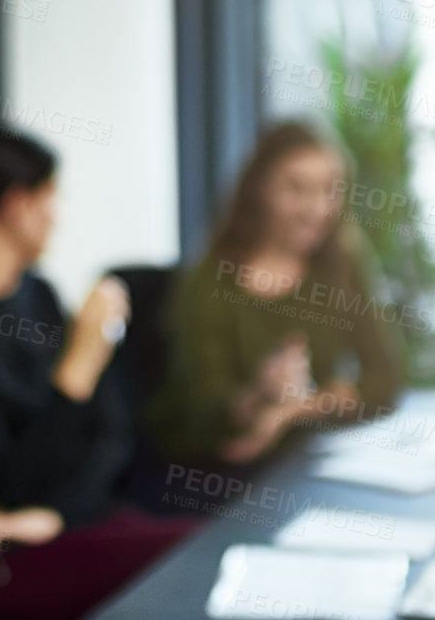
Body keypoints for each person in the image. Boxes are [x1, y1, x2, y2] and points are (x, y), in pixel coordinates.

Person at [0, 131, 197, 620]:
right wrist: (77, 369)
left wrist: (57, 514)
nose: (57, 216)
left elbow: (104, 439)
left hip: (80, 523)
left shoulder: (38, 293)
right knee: (200, 561)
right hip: (21, 561)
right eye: (52, 198)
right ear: (18, 205)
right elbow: (5, 485)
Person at [147, 120, 405, 465]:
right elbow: (205, 412)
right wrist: (261, 396)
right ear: (259, 189)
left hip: (300, 460)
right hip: (211, 469)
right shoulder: (210, 280)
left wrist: (294, 411)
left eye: (330, 189)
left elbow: (385, 379)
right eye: (296, 189)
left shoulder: (343, 261)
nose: (315, 209)